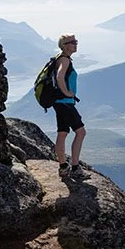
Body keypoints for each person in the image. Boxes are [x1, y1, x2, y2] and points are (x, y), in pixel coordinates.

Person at [53, 33, 89, 180]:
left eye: (76, 41)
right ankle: (75, 168)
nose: (76, 44)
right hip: (65, 103)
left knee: (62, 133)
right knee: (81, 132)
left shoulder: (59, 58)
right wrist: (67, 92)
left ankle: (63, 167)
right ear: (65, 45)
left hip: (58, 103)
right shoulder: (65, 60)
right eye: (72, 42)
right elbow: (59, 76)